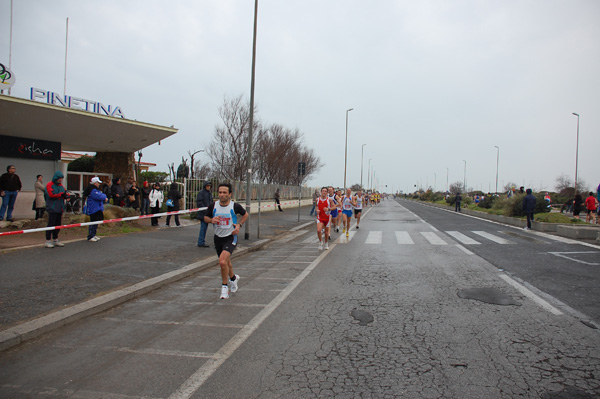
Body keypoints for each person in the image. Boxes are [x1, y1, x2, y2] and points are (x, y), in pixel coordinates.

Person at [204, 183, 248, 299]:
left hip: (230, 237)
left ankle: (224, 287)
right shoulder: (213, 206)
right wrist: (211, 220)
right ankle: (233, 278)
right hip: (218, 238)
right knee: (226, 262)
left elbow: (245, 215)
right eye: (220, 192)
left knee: (222, 262)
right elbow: (205, 217)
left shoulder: (235, 206)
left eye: (224, 193)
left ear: (229, 194)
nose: (222, 195)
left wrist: (239, 225)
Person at [44, 171, 69, 248]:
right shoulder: (49, 185)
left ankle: (56, 238)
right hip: (52, 207)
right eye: (59, 178)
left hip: (60, 207)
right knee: (51, 224)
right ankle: (48, 240)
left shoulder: (61, 186)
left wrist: (67, 196)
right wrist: (60, 195)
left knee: (58, 224)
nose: (60, 180)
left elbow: (65, 192)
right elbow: (51, 195)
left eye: (61, 178)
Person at [85, 177, 108, 241]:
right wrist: (104, 197)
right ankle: (90, 236)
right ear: (95, 183)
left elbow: (102, 195)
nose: (99, 184)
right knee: (93, 221)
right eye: (98, 183)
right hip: (94, 208)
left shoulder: (96, 190)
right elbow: (99, 196)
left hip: (97, 208)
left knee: (96, 222)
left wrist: (103, 196)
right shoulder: (93, 190)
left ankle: (93, 234)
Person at [196, 181, 212, 247]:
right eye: (207, 186)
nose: (208, 187)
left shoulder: (209, 193)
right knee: (203, 228)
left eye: (209, 186)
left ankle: (201, 241)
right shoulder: (201, 193)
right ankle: (201, 242)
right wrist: (205, 210)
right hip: (203, 213)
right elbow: (199, 203)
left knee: (204, 228)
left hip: (208, 213)